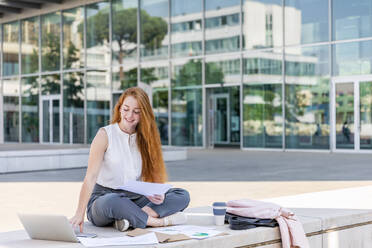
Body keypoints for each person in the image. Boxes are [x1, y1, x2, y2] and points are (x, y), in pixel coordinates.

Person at [70, 87, 190, 233]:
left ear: (143, 114)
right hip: (104, 199)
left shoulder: (146, 138)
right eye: (126, 109)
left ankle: (130, 218)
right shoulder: (104, 135)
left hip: (136, 198)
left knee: (181, 195)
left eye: (136, 112)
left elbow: (151, 178)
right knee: (114, 201)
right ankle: (157, 222)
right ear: (119, 108)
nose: (129, 115)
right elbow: (90, 177)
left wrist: (157, 194)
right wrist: (79, 213)